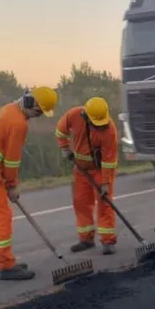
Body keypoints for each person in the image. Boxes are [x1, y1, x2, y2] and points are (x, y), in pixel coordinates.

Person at [0, 86, 59, 281]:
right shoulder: (18, 124)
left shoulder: (8, 109)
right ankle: (7, 266)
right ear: (29, 102)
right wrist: (12, 185)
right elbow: (12, 160)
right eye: (38, 111)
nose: (37, 116)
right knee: (1, 216)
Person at [56, 97, 120, 255]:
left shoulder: (109, 130)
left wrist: (105, 183)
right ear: (86, 115)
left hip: (100, 170)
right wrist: (65, 149)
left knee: (105, 203)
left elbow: (108, 160)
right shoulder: (73, 115)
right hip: (80, 170)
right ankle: (86, 239)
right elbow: (60, 131)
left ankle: (108, 240)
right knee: (81, 202)